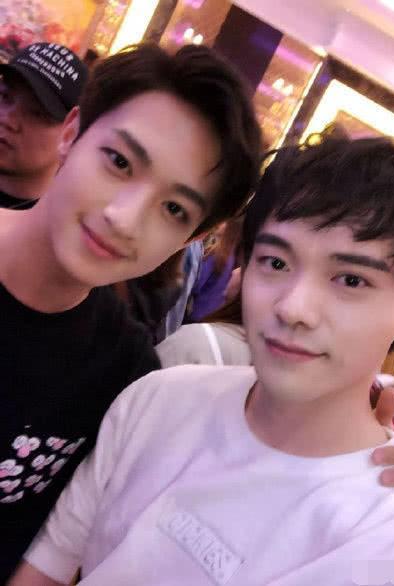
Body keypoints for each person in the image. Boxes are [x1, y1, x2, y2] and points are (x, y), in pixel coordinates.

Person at [11, 136, 394, 586]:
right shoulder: (160, 397)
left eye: (351, 280)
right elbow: (46, 568)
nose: (293, 308)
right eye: (275, 263)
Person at [0, 41, 262, 582]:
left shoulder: (124, 374)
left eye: (173, 209)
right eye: (119, 162)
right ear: (71, 133)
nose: (124, 218)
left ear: (190, 239)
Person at [0, 42, 88, 208]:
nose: (7, 119)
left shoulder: (55, 220)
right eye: (5, 96)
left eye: (37, 113)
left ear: (71, 134)